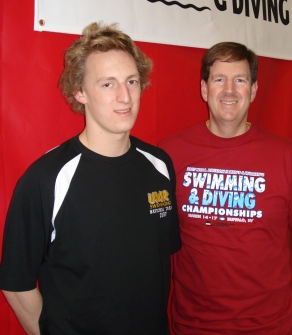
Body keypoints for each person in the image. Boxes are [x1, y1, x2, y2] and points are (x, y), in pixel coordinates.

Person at [0, 22, 181, 335]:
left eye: (132, 81)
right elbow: (16, 286)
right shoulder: (46, 179)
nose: (125, 97)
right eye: (108, 84)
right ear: (79, 92)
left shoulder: (160, 165)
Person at [159, 41, 292, 335]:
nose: (229, 90)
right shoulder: (170, 154)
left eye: (240, 80)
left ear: (253, 90)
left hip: (271, 327)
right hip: (193, 327)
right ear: (204, 89)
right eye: (219, 79)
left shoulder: (286, 156)